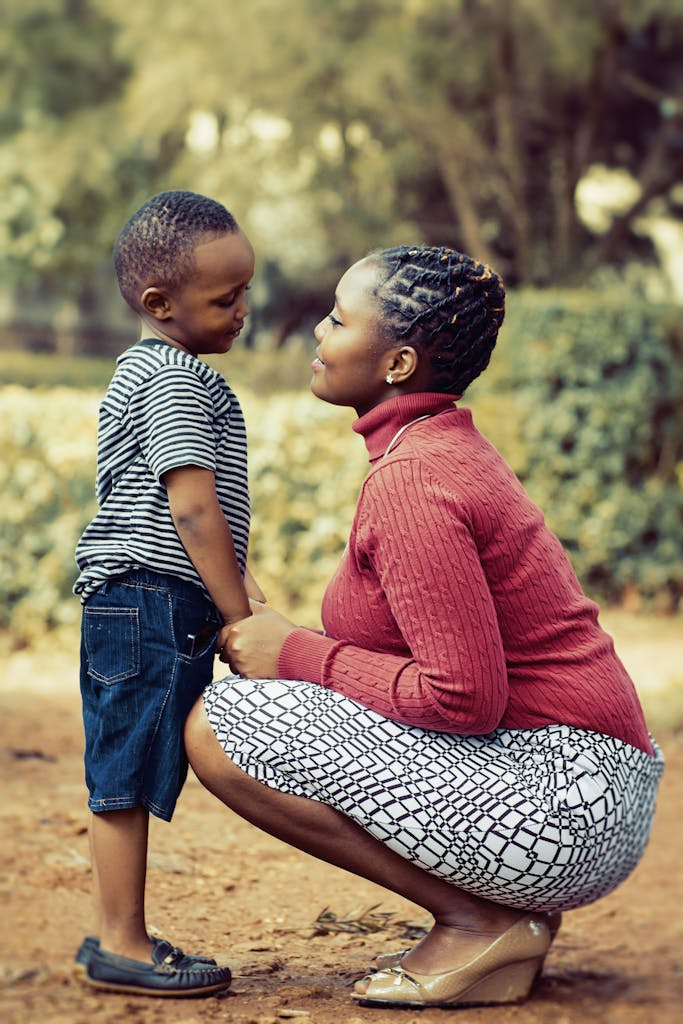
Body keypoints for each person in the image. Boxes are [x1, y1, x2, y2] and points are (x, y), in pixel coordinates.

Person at [184, 244, 664, 1009]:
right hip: (578, 780)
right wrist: (285, 639)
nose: (318, 332)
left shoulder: (412, 479)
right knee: (259, 707)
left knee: (223, 726)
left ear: (398, 364)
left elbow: (461, 697)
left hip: (567, 801)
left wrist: (297, 653)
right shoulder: (432, 450)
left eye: (339, 320)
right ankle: (497, 921)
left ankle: (479, 922)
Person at [73, 189, 265, 997]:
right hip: (148, 598)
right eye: (227, 298)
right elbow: (190, 504)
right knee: (124, 768)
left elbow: (201, 514)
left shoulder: (153, 374)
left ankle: (124, 935)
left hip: (148, 599)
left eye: (245, 291)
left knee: (134, 761)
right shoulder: (175, 380)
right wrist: (239, 615)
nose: (245, 311)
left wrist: (248, 595)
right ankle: (121, 941)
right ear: (160, 304)